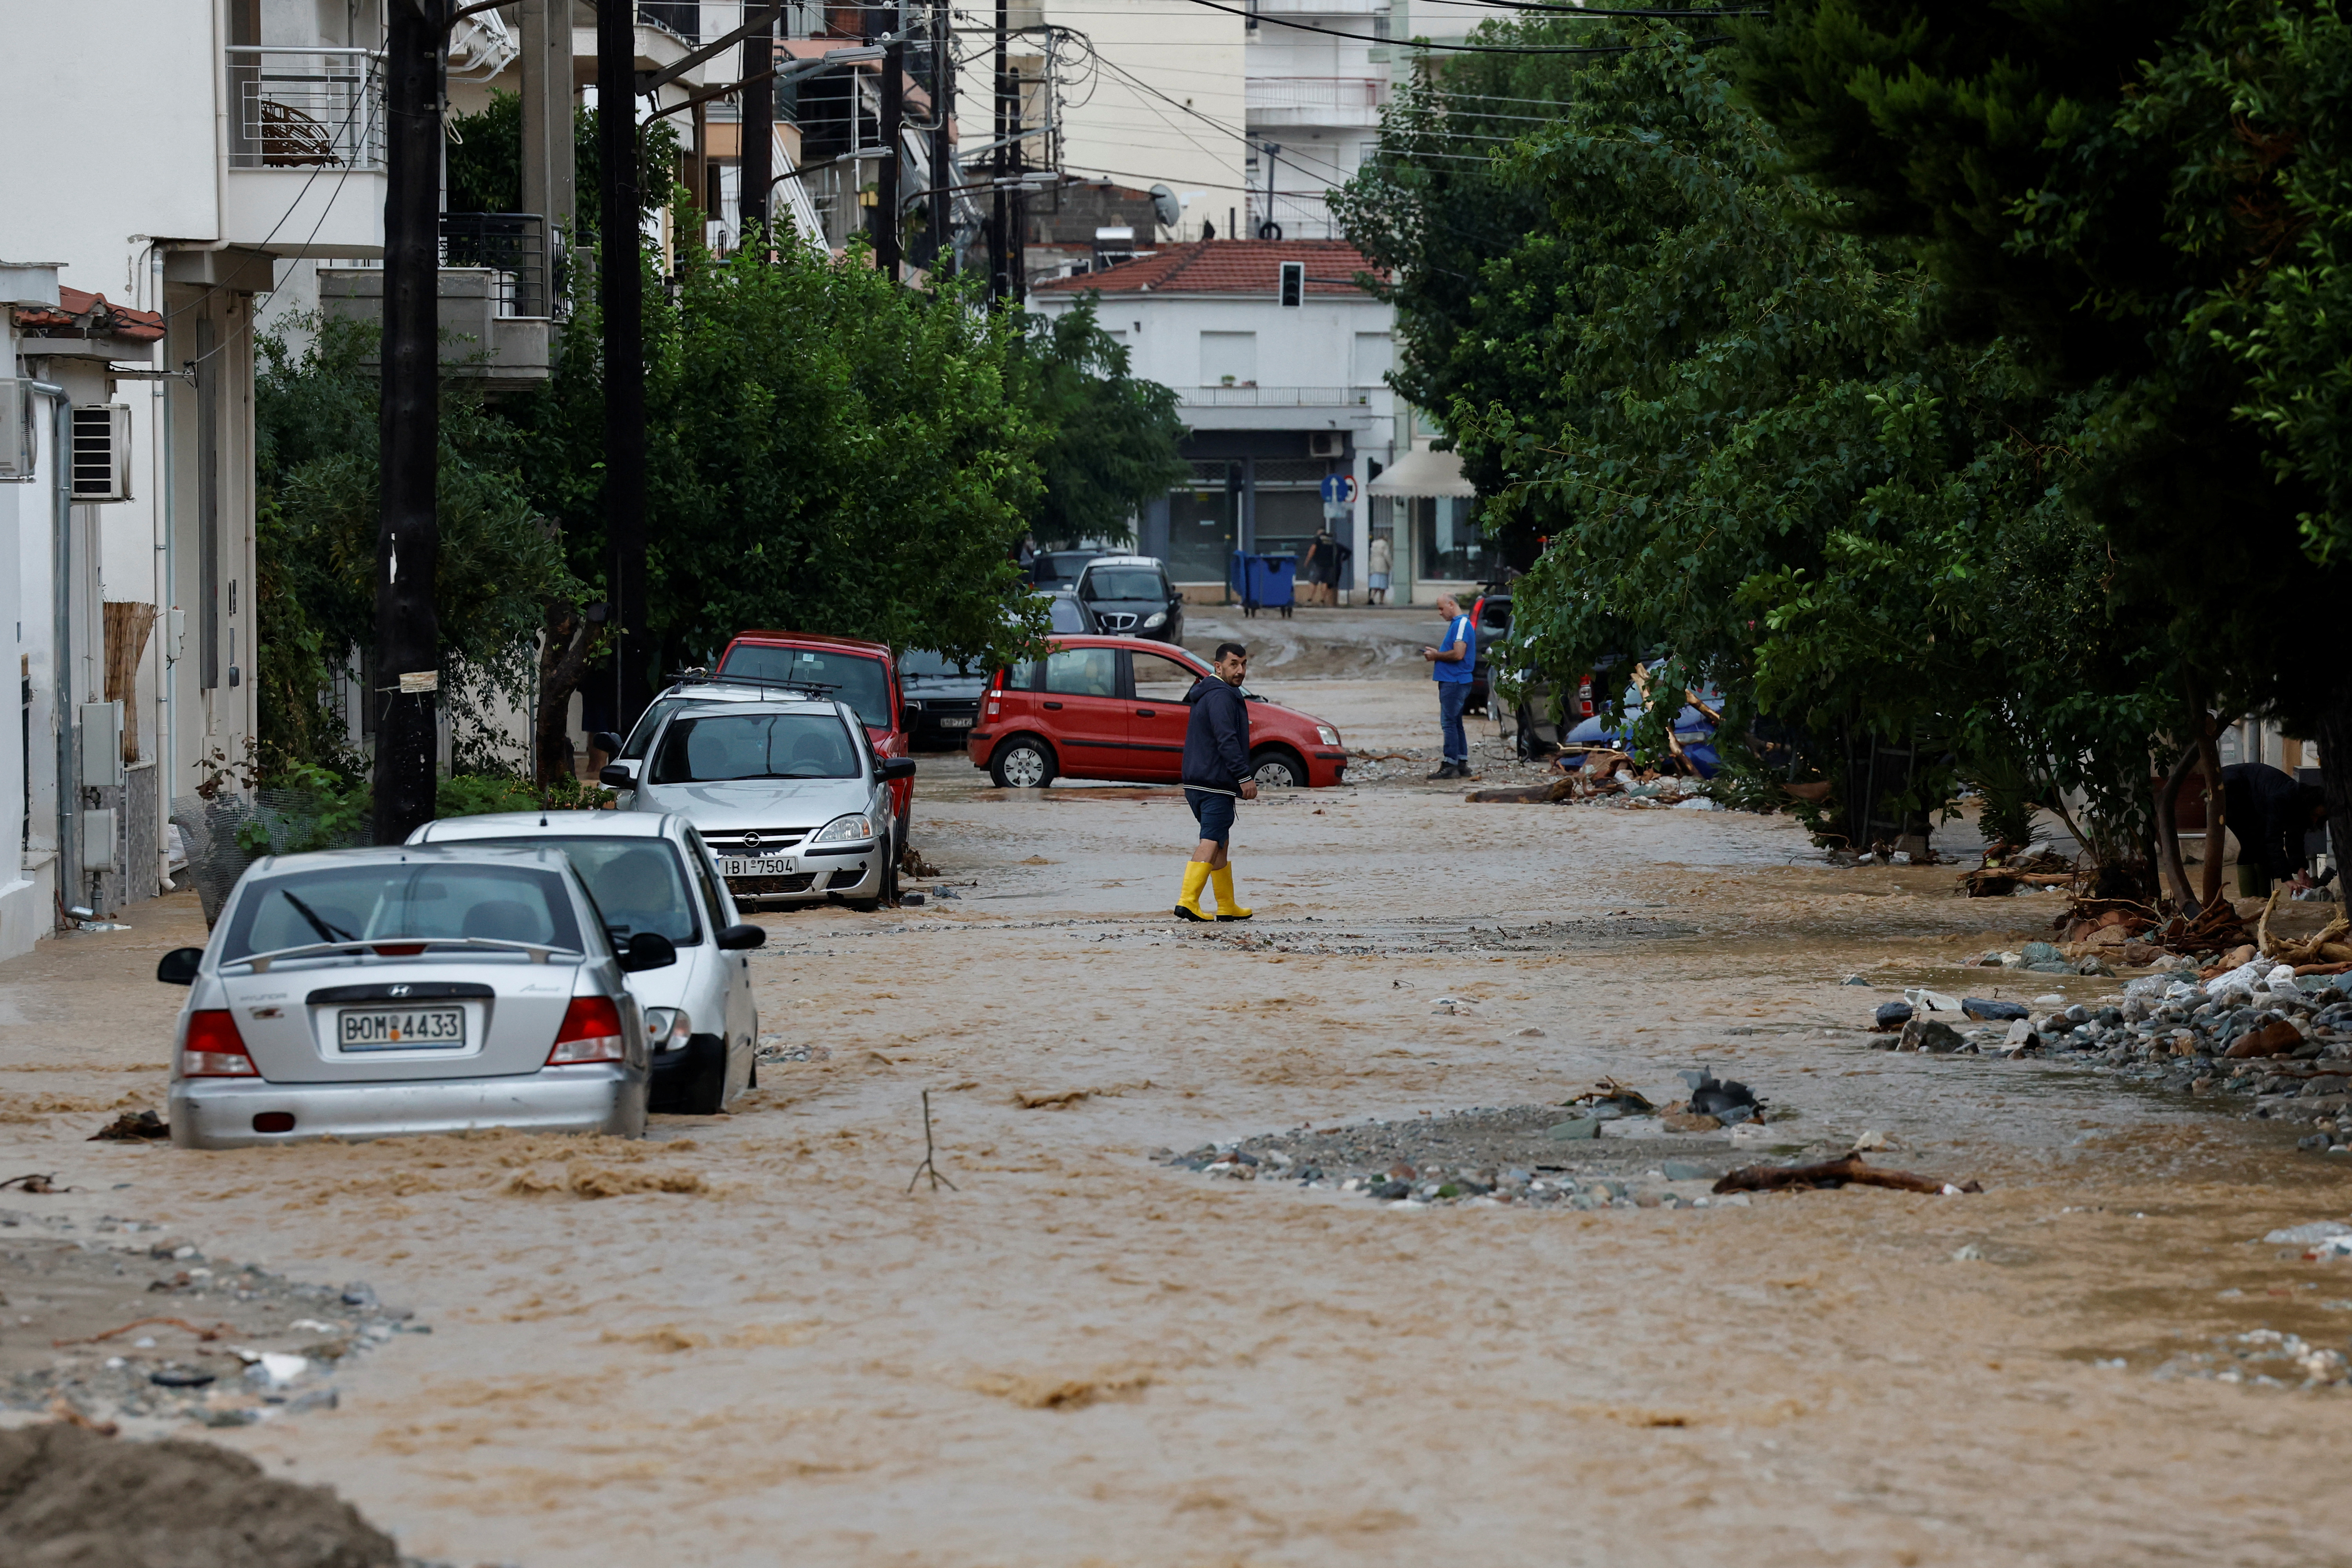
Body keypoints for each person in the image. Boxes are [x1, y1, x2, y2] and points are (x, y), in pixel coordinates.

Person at [1175, 641, 1259, 920]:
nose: (1241, 670)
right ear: (1218, 666)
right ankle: (1188, 901)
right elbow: (1227, 740)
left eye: (1244, 664)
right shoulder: (1222, 695)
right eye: (1234, 664)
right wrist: (1244, 777)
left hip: (1199, 781)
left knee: (1221, 841)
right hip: (1214, 782)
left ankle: (1227, 906)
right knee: (1211, 839)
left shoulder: (1207, 692)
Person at [2221, 761, 2330, 894]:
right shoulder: (2282, 800)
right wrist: (2287, 879)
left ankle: (2264, 901)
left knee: (2260, 845)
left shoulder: (2301, 804)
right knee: (2252, 843)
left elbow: (2295, 838)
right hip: (2231, 788)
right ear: (2308, 808)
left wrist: (2300, 869)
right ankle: (2251, 903)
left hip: (2251, 790)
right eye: (2314, 815)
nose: (2315, 820)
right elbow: (2273, 840)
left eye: (2320, 818)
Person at [1419, 593, 1475, 779]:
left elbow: (1459, 654)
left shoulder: (1460, 625)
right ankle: (1461, 762)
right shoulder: (1459, 625)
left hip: (1455, 681)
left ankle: (1450, 763)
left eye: (1442, 608)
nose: (1440, 613)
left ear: (1452, 605)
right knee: (1456, 722)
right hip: (1456, 681)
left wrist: (1436, 656)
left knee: (1449, 723)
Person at [1366, 532, 1392, 606]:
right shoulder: (1385, 544)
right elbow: (1387, 555)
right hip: (1383, 564)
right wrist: (1391, 565)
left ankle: (1372, 598)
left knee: (1375, 585)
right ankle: (1381, 600)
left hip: (1374, 565)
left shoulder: (1374, 544)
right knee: (1383, 585)